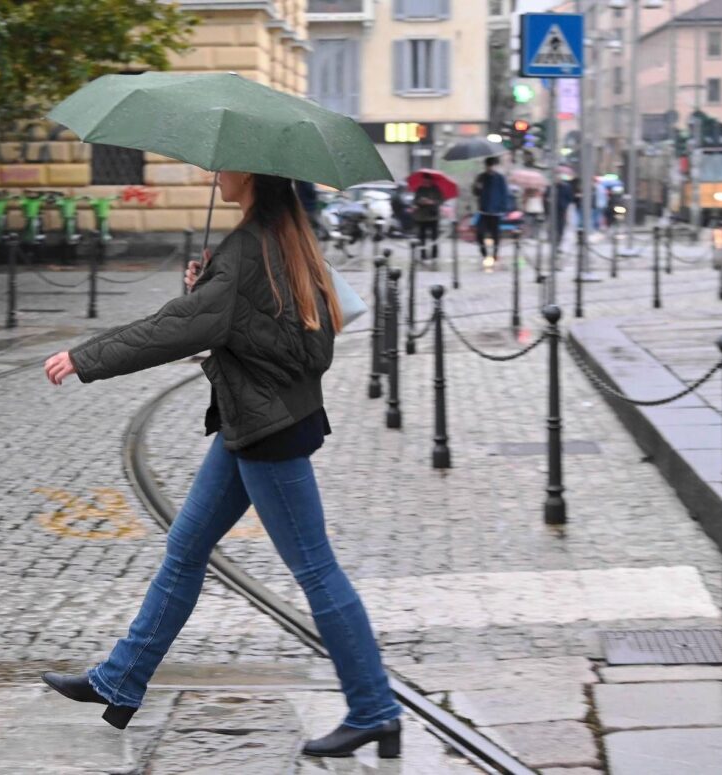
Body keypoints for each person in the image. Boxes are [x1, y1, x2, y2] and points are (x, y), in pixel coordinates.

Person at [40, 171, 403, 759]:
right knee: (185, 548)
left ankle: (375, 709)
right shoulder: (284, 238)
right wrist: (212, 296)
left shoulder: (246, 250)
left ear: (246, 176)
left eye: (223, 167)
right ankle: (120, 679)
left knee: (315, 570)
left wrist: (85, 357)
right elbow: (276, 340)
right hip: (254, 421)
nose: (215, 176)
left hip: (267, 431)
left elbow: (174, 330)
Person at [473, 157, 509, 268]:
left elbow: (504, 193)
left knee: (495, 235)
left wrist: (503, 208)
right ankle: (484, 254)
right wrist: (477, 187)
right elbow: (475, 192)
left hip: (496, 211)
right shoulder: (481, 177)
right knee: (480, 233)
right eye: (488, 165)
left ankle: (495, 254)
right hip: (483, 211)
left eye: (492, 165)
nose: (490, 168)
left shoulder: (500, 178)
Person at [412, 173, 444, 262]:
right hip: (421, 217)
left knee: (434, 237)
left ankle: (434, 255)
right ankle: (423, 255)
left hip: (433, 217)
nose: (425, 182)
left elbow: (440, 200)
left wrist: (431, 202)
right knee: (422, 237)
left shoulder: (435, 189)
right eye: (424, 181)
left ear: (430, 180)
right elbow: (415, 200)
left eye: (427, 180)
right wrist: (420, 202)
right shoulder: (420, 189)